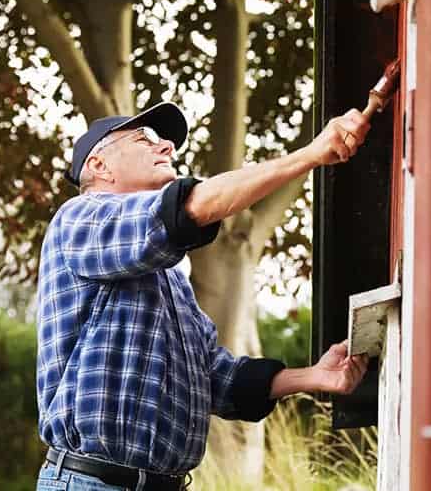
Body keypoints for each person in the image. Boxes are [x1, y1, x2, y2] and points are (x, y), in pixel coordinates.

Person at [36, 101, 371, 491]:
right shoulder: (79, 218)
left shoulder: (171, 279)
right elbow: (185, 209)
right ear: (99, 166)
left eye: (165, 142)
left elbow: (217, 379)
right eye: (146, 139)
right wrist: (310, 155)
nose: (167, 148)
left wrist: (313, 376)